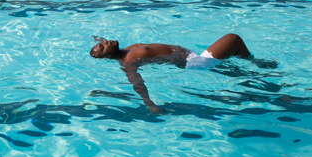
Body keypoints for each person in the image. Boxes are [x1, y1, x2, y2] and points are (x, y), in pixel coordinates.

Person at [90, 34, 252, 114]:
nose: (105, 42)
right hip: (194, 62)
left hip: (191, 56)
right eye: (103, 46)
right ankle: (256, 62)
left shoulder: (126, 49)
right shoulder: (128, 61)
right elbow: (136, 82)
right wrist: (150, 104)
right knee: (233, 39)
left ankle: (246, 69)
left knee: (230, 56)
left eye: (102, 42)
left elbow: (104, 43)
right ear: (108, 56)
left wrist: (96, 38)